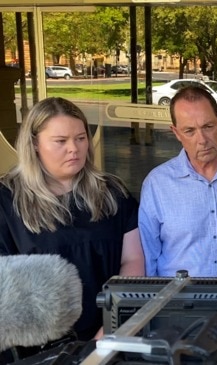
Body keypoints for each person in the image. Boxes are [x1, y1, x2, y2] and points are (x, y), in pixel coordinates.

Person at [0, 97, 144, 345]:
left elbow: (133, 261)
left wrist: (107, 333)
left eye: (80, 138)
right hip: (33, 348)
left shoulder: (112, 194)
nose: (74, 149)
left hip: (108, 336)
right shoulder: (7, 201)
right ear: (34, 143)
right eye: (60, 141)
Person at [139, 85, 217, 277]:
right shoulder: (157, 184)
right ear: (176, 133)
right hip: (177, 300)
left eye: (208, 127)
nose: (202, 140)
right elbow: (148, 258)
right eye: (189, 131)